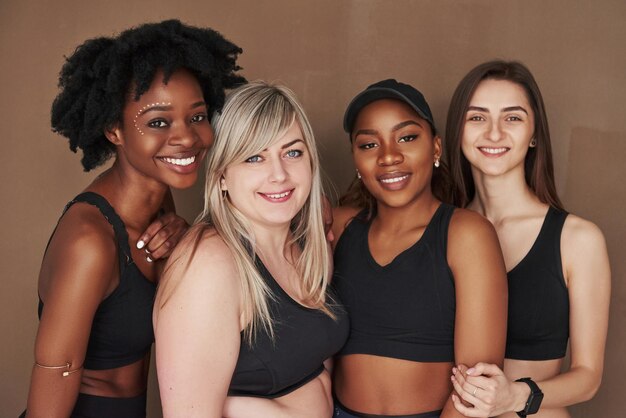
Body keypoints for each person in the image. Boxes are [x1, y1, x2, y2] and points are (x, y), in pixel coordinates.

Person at [22, 20, 244, 417]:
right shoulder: (90, 242)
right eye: (158, 122)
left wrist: (186, 236)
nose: (187, 137)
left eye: (196, 116)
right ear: (114, 130)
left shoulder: (162, 205)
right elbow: (54, 378)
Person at [153, 81, 349, 418]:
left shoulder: (306, 243)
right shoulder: (209, 264)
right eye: (254, 157)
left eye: (293, 152)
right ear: (222, 176)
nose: (279, 175)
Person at [330, 79, 508, 418]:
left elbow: (477, 384)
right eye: (368, 144)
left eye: (407, 137)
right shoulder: (338, 228)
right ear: (356, 159)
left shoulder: (466, 234)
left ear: (436, 148)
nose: (388, 156)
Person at [445, 60, 611, 418]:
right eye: (477, 117)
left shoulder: (578, 239)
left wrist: (515, 397)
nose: (493, 133)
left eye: (512, 117)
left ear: (535, 133)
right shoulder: (439, 229)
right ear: (457, 131)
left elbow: (588, 377)